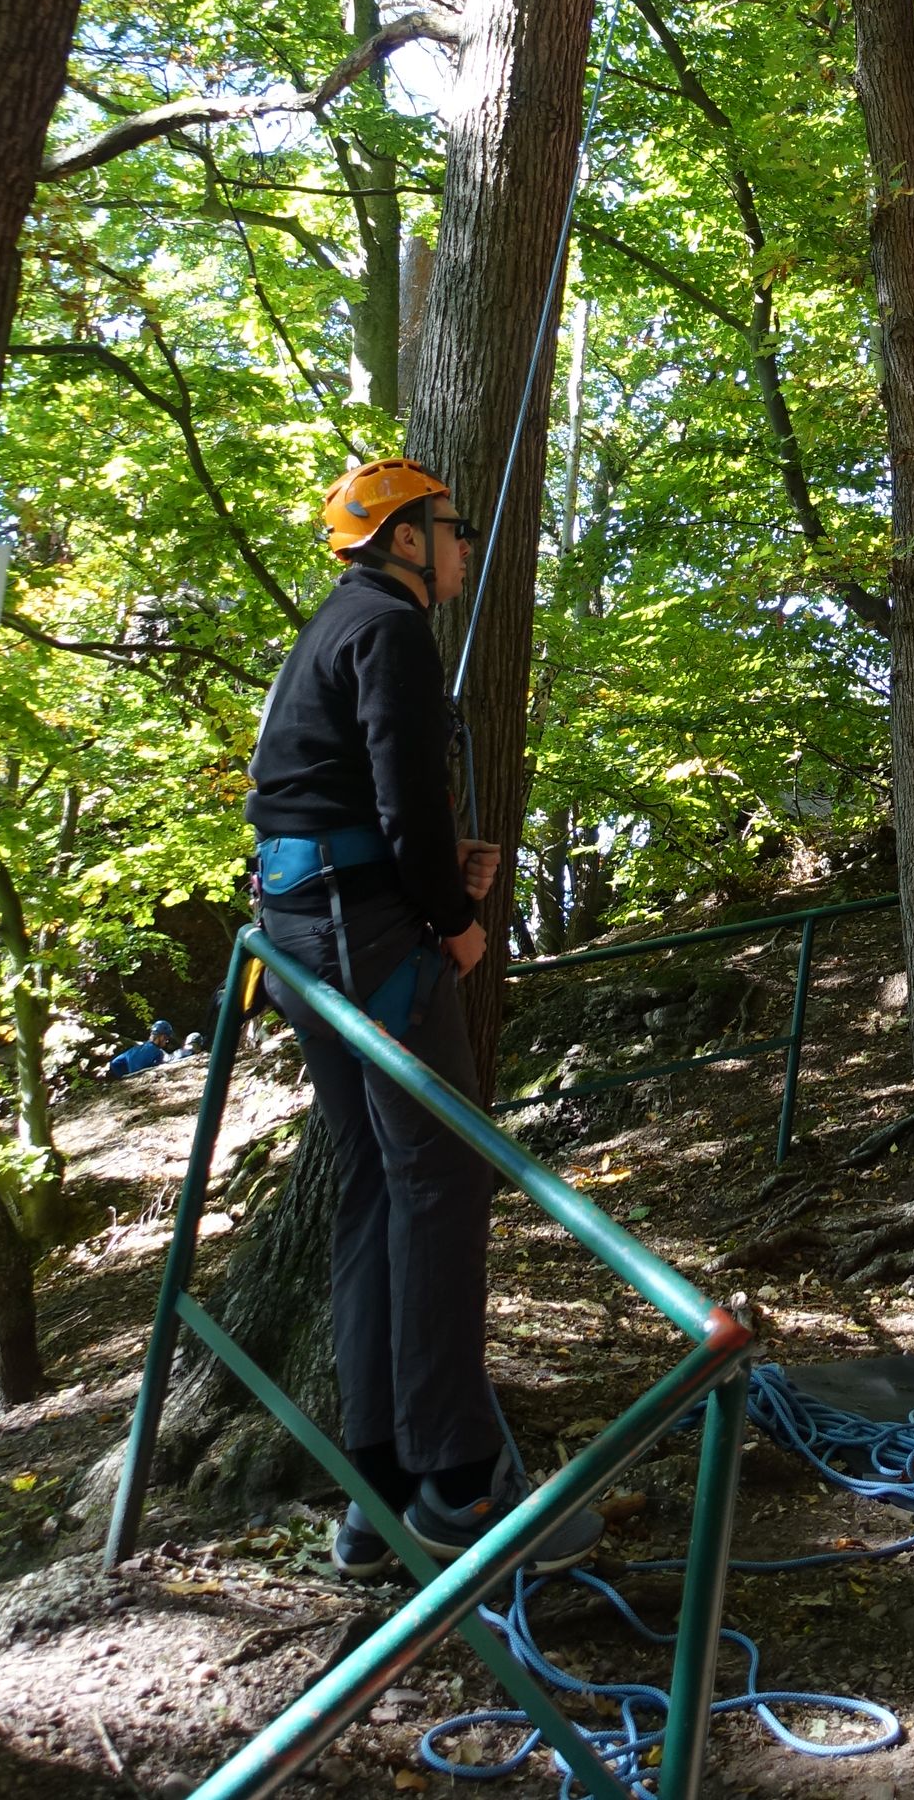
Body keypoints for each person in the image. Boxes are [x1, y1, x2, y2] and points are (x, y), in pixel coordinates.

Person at [248, 456, 598, 1584]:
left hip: (308, 923)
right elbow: (401, 785)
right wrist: (450, 915)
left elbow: (352, 787)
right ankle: (457, 1485)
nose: (459, 548)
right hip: (364, 936)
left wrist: (435, 870)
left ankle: (377, 1487)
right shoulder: (389, 632)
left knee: (371, 1185)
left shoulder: (332, 629)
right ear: (403, 540)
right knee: (439, 1180)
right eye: (446, 529)